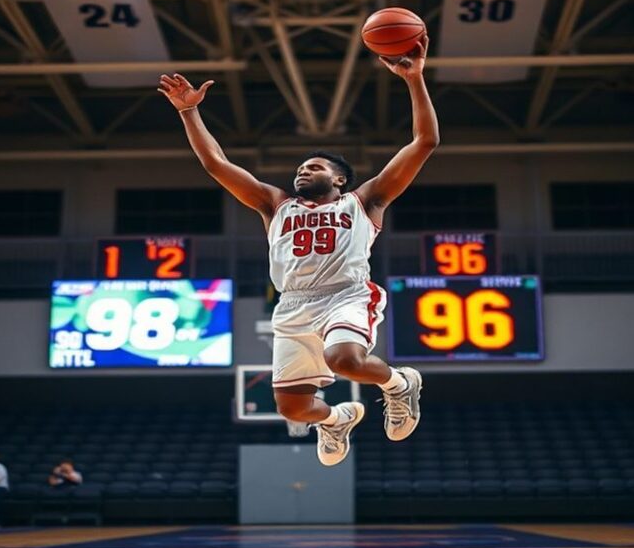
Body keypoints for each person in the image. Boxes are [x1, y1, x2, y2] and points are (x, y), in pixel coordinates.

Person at [159, 35, 439, 466]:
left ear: (339, 179)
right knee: (292, 409)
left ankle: (400, 384)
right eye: (299, 168)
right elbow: (216, 163)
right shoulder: (275, 204)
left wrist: (415, 80)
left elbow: (423, 143)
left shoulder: (365, 201)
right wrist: (189, 111)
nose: (302, 171)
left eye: (314, 166)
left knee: (344, 359)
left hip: (346, 294)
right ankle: (335, 419)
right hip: (292, 306)